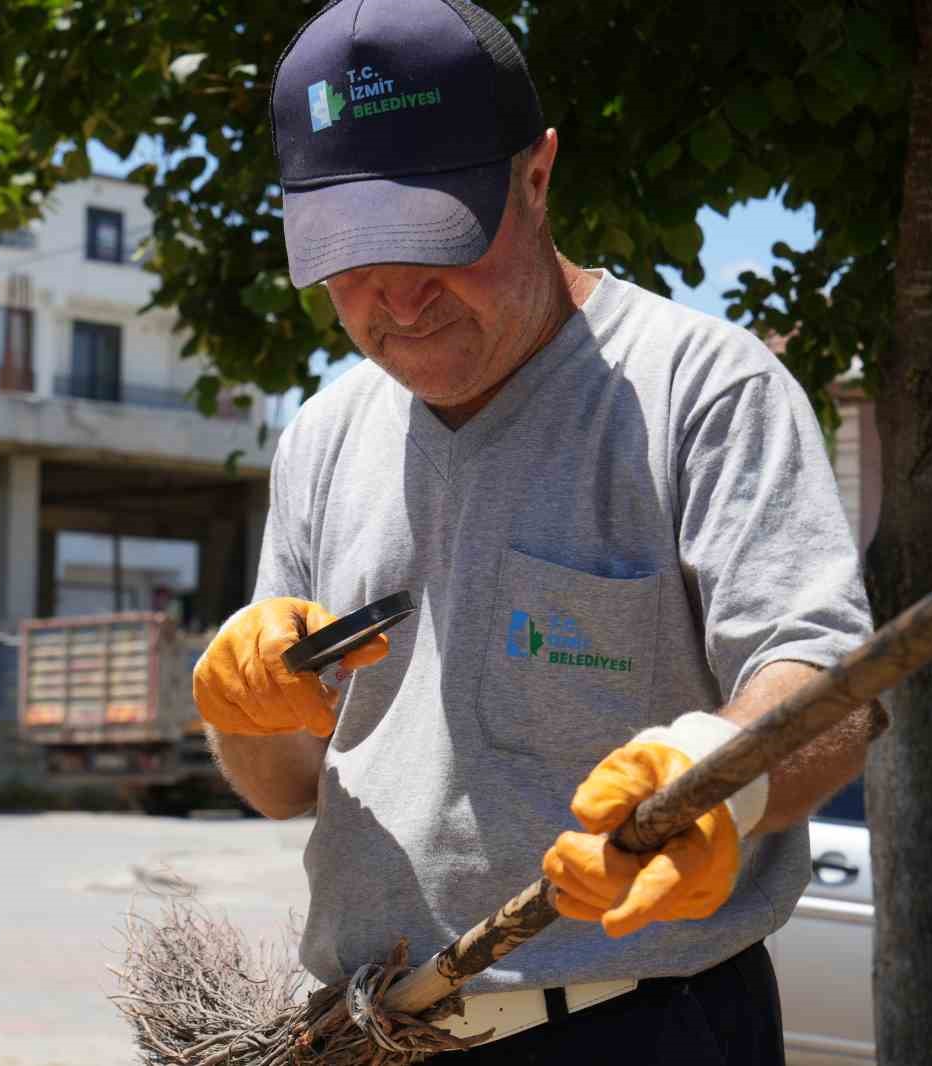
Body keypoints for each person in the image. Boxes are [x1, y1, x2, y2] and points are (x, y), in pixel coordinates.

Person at [191, 0, 881, 1061]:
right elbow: (281, 786)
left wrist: (720, 776)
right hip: (365, 1032)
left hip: (637, 1029)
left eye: (435, 242)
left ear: (538, 174)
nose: (399, 302)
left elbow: (829, 684)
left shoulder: (700, 389)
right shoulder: (322, 437)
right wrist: (242, 716)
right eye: (353, 261)